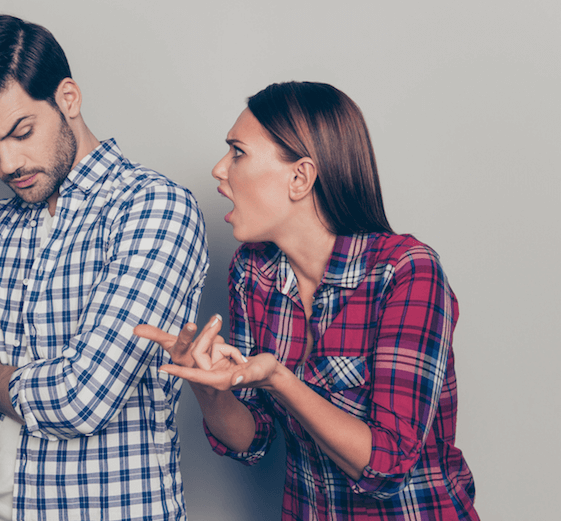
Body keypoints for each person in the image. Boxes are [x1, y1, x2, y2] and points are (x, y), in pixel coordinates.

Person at [0, 15, 208, 521]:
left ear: (68, 98)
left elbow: (83, 397)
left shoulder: (153, 207)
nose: (9, 163)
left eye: (21, 132)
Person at [136, 81, 479, 520]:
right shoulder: (252, 272)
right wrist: (209, 388)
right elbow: (252, 439)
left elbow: (387, 466)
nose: (220, 169)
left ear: (300, 177)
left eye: (237, 152)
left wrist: (281, 379)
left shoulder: (407, 271)